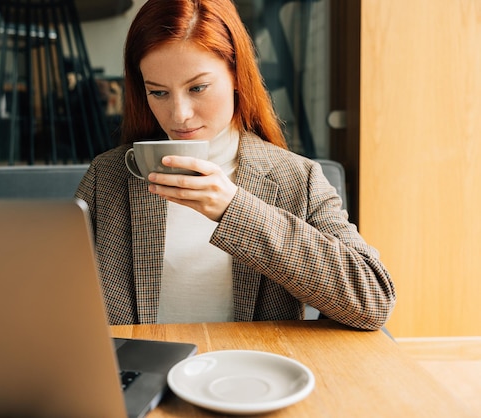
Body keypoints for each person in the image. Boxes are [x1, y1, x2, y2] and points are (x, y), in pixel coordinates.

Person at [75, 0, 395, 330]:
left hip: (249, 376)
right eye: (158, 93)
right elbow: (59, 301)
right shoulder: (108, 176)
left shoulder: (298, 179)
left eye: (197, 87)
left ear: (236, 76)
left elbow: (372, 301)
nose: (179, 114)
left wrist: (235, 210)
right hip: (141, 375)